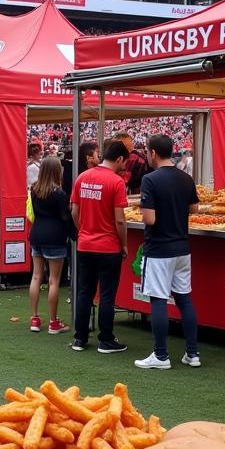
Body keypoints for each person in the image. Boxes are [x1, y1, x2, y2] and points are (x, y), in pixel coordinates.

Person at [135, 134, 201, 370]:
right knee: (184, 298)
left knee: (159, 299)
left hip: (159, 248)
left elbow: (149, 218)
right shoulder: (186, 178)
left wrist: (144, 208)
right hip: (182, 247)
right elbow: (194, 207)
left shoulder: (150, 180)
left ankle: (161, 355)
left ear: (153, 152)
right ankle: (192, 353)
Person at [70, 140, 129, 354]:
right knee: (106, 295)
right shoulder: (116, 182)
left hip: (85, 244)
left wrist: (84, 230)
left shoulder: (82, 177)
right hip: (108, 246)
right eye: (125, 161)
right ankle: (106, 339)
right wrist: (123, 244)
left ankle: (80, 338)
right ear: (120, 159)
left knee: (84, 292)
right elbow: (120, 220)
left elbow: (74, 211)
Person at [28, 156, 72, 336]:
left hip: (37, 234)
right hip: (55, 236)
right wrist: (74, 232)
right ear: (56, 171)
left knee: (36, 277)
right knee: (54, 280)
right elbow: (65, 217)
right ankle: (54, 322)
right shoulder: (59, 193)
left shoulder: (34, 189)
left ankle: (35, 318)